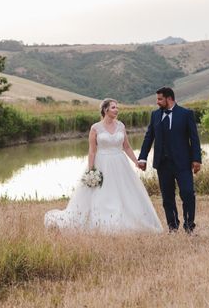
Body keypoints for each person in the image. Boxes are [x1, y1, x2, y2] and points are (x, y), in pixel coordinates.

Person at [44, 98, 162, 234]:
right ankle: (103, 222)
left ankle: (128, 220)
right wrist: (91, 170)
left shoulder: (121, 126)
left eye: (117, 107)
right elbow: (92, 151)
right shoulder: (95, 128)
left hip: (120, 163)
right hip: (102, 163)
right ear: (105, 110)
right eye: (113, 107)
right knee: (102, 193)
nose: (116, 109)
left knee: (125, 192)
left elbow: (127, 147)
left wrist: (136, 161)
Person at [137, 87, 202, 234]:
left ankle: (189, 226)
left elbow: (194, 139)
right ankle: (172, 227)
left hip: (183, 163)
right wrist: (142, 158)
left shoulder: (186, 114)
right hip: (162, 163)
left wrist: (196, 159)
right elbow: (149, 137)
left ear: (169, 98)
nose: (157, 102)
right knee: (167, 197)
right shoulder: (155, 115)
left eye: (160, 99)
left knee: (187, 193)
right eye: (157, 99)